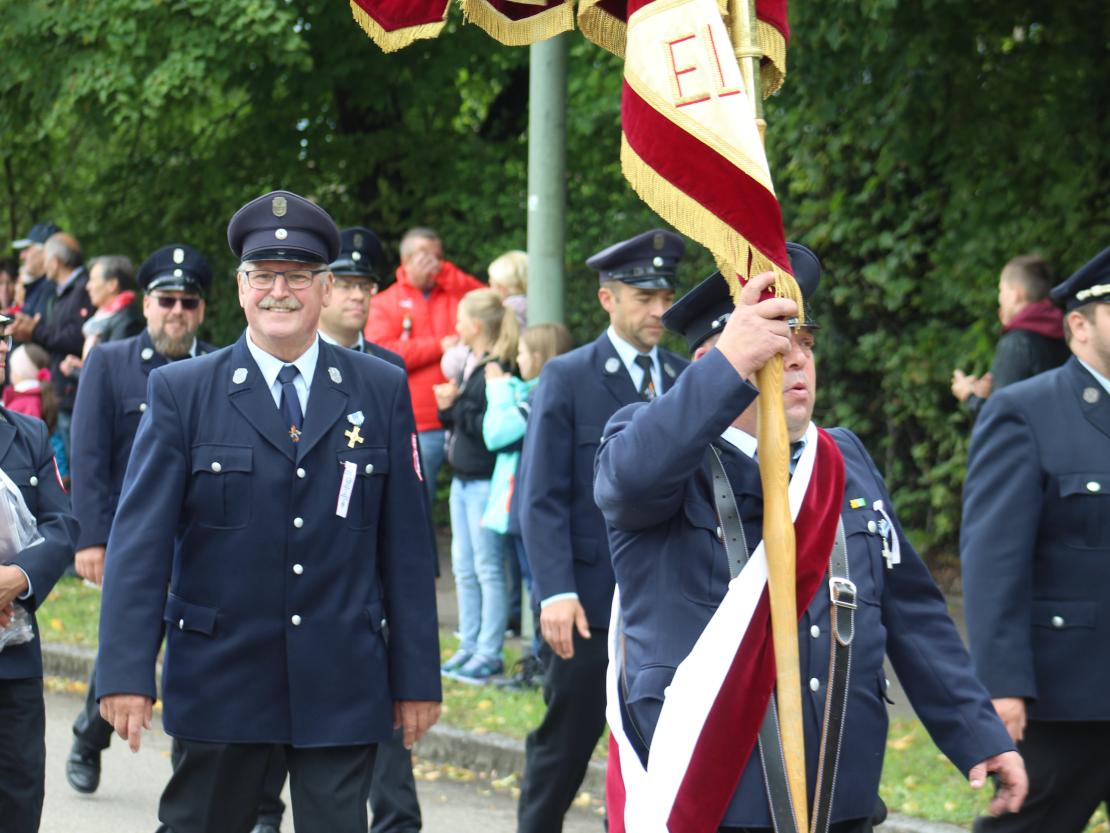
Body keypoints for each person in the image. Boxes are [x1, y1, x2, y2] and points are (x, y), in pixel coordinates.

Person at [594, 249, 1027, 832]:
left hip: (838, 795)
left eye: (805, 341)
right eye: (775, 342)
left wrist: (978, 734)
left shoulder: (840, 457)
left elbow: (912, 612)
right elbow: (628, 484)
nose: (797, 359)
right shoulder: (654, 447)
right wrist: (727, 368)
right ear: (712, 359)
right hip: (714, 796)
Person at [96, 190, 442, 833]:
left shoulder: (379, 388)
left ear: (323, 287)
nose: (279, 291)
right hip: (221, 679)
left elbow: (408, 547)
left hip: (341, 678)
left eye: (299, 277)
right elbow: (139, 545)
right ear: (240, 286)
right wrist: (124, 671)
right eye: (263, 276)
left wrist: (417, 676)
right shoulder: (182, 391)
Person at [64, 244, 297, 831]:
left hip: (200, 543)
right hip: (134, 539)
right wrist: (92, 539)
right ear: (146, 305)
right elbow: (90, 457)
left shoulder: (226, 367)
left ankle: (246, 797)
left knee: (199, 660)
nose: (176, 311)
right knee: (131, 648)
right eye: (165, 300)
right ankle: (89, 737)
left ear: (201, 309)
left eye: (187, 302)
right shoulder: (112, 362)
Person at [515, 229, 688, 833]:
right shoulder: (569, 376)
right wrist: (555, 591)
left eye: (666, 295)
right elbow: (540, 498)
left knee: (668, 754)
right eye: (644, 297)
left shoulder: (686, 372)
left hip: (671, 601)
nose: (660, 309)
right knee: (566, 743)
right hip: (591, 601)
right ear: (607, 298)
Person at [961, 245, 1110, 832]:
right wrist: (1003, 688)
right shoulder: (1026, 411)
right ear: (1078, 325)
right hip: (1063, 698)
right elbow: (995, 561)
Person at [323, 225, 428, 833]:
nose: (358, 295)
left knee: (386, 726)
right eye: (346, 283)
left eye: (367, 284)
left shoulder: (386, 368)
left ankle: (396, 821)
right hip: (315, 570)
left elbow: (405, 479)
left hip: (374, 572)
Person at [0, 310, 80, 833]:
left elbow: (61, 526)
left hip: (11, 664)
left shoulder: (27, 433)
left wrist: (16, 578)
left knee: (17, 796)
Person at [483, 322, 573, 690]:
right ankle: (541, 662)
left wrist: (498, 387)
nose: (517, 359)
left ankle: (542, 665)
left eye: (522, 352)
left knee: (540, 590)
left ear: (538, 357)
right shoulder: (543, 393)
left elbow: (496, 434)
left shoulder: (535, 397)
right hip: (527, 510)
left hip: (529, 511)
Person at [365, 227, 484, 502]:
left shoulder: (455, 293)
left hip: (463, 419)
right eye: (424, 256)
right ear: (405, 261)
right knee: (417, 501)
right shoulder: (385, 302)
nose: (433, 263)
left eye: (438, 256)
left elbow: (489, 306)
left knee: (472, 501)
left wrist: (446, 274)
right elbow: (383, 351)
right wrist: (438, 346)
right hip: (419, 423)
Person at [437, 287, 519, 684]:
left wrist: (455, 406)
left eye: (459, 318)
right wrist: (448, 409)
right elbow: (463, 424)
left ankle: (489, 651)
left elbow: (492, 432)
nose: (454, 325)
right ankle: (468, 644)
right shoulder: (472, 362)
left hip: (486, 482)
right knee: (464, 568)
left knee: (488, 568)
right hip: (463, 480)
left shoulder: (499, 366)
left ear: (474, 325)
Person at [952, 254, 1069, 421]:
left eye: (1001, 290)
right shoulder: (1069, 331)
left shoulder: (1017, 341)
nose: (1000, 298)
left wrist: (968, 395)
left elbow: (1001, 419)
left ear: (1016, 294)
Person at [9, 232, 93, 464]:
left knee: (77, 462)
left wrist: (35, 331)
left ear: (56, 261)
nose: (44, 264)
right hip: (63, 389)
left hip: (73, 391)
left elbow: (76, 336)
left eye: (46, 258)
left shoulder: (82, 290)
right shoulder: (62, 292)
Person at [11, 223, 61, 322]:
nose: (22, 255)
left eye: (27, 249)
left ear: (45, 252)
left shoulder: (52, 289)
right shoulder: (39, 287)